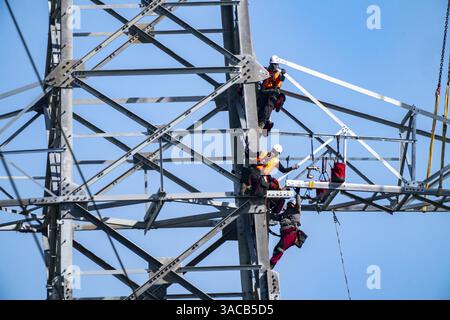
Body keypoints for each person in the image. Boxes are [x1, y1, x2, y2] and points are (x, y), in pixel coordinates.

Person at [254, 144, 298, 214]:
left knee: (270, 187)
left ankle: (271, 207)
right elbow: (283, 170)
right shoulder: (273, 158)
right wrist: (292, 167)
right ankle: (272, 209)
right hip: (260, 176)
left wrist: (292, 167)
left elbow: (283, 170)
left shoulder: (268, 155)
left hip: (260, 175)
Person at [270, 191, 308, 269]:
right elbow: (275, 217)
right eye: (289, 205)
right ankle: (271, 262)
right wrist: (266, 213)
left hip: (291, 233)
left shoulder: (296, 211)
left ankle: (271, 264)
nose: (289, 206)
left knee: (280, 248)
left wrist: (298, 193)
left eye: (291, 205)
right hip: (286, 233)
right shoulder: (285, 213)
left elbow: (298, 204)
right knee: (276, 249)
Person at [257, 55, 287, 133]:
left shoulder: (278, 74)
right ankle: (259, 122)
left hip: (273, 93)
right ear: (270, 64)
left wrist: (283, 74)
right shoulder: (265, 71)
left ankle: (262, 125)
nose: (275, 66)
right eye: (274, 64)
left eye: (276, 64)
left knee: (268, 107)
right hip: (265, 91)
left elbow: (281, 78)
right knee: (259, 107)